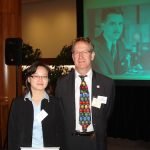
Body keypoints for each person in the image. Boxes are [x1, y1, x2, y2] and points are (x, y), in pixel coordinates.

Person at [55, 37, 115, 150]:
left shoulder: (107, 84)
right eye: (76, 52)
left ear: (92, 55)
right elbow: (60, 113)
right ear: (73, 57)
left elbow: (106, 113)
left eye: (85, 52)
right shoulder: (61, 83)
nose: (80, 56)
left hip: (95, 141)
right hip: (70, 141)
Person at [7, 61, 64, 150]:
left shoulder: (56, 103)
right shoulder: (18, 103)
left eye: (44, 76)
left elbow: (62, 131)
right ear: (29, 79)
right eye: (36, 76)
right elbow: (12, 133)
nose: (40, 80)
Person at [92, 7, 129, 75]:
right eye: (112, 24)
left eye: (120, 24)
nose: (117, 29)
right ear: (102, 26)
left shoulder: (121, 45)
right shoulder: (92, 46)